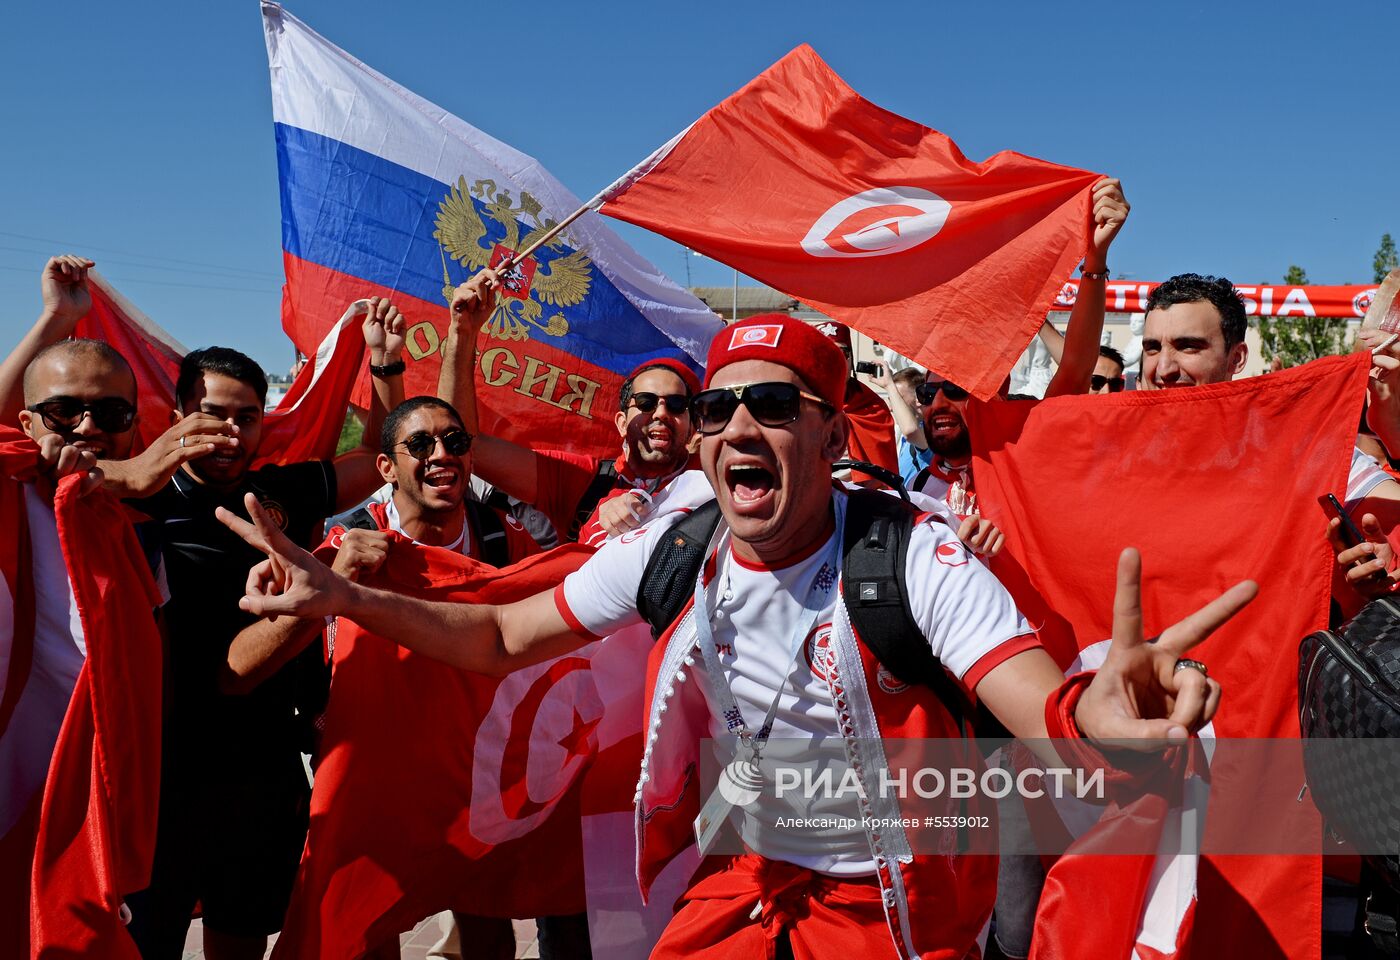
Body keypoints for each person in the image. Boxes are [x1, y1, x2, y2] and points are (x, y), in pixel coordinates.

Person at [217, 312, 1251, 958]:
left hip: (894, 905)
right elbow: (498, 641)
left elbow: (1031, 704)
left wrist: (1096, 723)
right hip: (742, 886)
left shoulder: (911, 556)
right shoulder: (676, 546)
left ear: (823, 428)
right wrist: (351, 602)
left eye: (771, 404)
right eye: (717, 407)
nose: (735, 427)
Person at [111, 301, 406, 960]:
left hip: (266, 761)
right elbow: (38, 462)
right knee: (146, 942)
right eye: (213, 413)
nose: (231, 431)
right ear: (181, 412)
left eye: (247, 417)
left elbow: (384, 457)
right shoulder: (135, 496)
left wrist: (384, 360)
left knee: (241, 937)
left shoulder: (284, 492)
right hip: (167, 768)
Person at [222, 394, 547, 960]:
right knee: (365, 930)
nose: (441, 454)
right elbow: (240, 669)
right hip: (373, 777)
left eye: (455, 441)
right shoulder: (340, 545)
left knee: (488, 926)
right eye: (420, 444)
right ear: (386, 467)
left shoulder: (503, 542)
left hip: (475, 772)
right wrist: (337, 584)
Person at [910, 177, 1130, 509]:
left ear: (997, 392)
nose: (938, 401)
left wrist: (1095, 259)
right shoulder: (916, 489)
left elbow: (1076, 368)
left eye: (956, 390)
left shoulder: (1025, 455)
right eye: (928, 393)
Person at [439, 269, 700, 547]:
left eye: (676, 404)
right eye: (647, 402)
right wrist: (462, 332)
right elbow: (464, 445)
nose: (661, 413)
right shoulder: (582, 480)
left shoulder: (713, 483)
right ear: (622, 422)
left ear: (691, 424)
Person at [1142, 274, 1400, 519]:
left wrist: (1393, 434)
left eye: (1188, 346)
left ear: (1237, 358)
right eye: (1152, 348)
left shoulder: (1305, 455)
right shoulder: (1113, 450)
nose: (1164, 369)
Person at [877, 365, 933, 486]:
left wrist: (889, 385)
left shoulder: (930, 431)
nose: (892, 407)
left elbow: (910, 431)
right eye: (891, 398)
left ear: (919, 398)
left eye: (898, 398)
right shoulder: (903, 437)